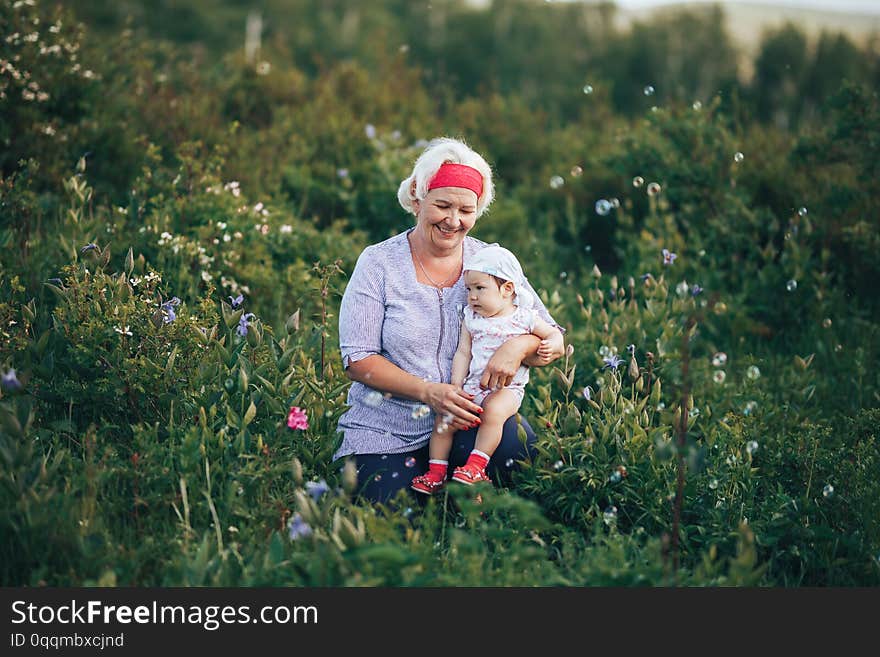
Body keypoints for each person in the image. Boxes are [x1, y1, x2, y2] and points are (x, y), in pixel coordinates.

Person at [334, 136, 565, 503]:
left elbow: (553, 339)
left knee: (519, 463)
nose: (453, 221)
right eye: (442, 205)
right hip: (387, 428)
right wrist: (429, 393)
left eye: (466, 210)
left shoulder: (491, 263)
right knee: (387, 514)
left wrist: (519, 345)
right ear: (417, 198)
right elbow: (358, 360)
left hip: (471, 421)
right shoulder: (378, 263)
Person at [410, 245, 564, 494]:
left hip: (508, 390)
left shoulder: (524, 317)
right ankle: (436, 473)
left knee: (493, 411)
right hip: (474, 385)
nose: (472, 296)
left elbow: (553, 333)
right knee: (445, 419)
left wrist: (553, 342)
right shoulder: (472, 317)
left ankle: (476, 466)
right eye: (469, 289)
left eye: (480, 288)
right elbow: (463, 352)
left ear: (507, 289)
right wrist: (456, 386)